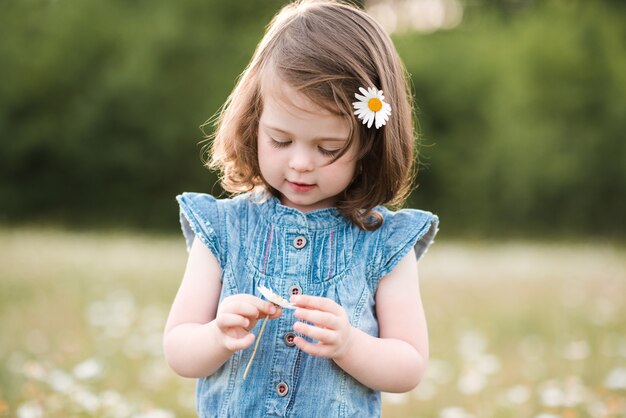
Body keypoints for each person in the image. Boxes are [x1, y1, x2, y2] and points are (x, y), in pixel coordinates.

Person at [163, 1, 439, 417]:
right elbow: (178, 348)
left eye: (328, 148)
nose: (301, 163)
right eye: (280, 140)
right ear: (254, 123)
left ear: (367, 146)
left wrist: (349, 344)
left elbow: (409, 364)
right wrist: (217, 335)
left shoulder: (383, 243)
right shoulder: (224, 228)